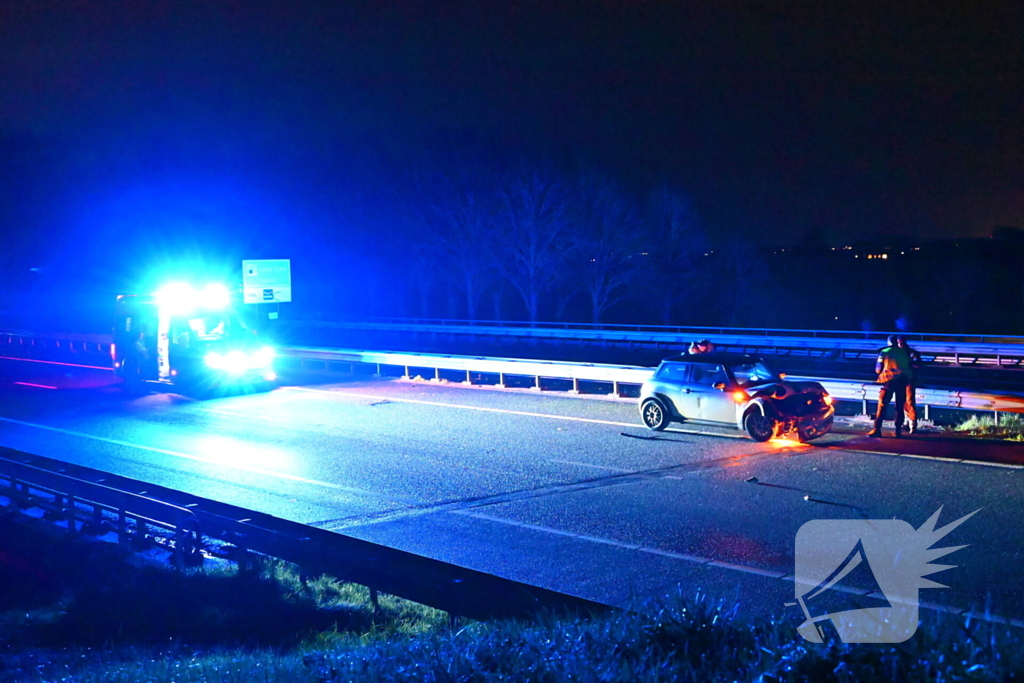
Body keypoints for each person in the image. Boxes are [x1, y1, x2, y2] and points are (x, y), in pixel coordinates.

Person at [867, 334, 912, 437]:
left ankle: (877, 429)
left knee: (882, 405)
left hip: (889, 381)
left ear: (888, 343)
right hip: (903, 381)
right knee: (899, 406)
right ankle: (897, 431)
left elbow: (878, 369)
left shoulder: (884, 352)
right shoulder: (904, 352)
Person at [896, 335, 923, 434]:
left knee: (910, 401)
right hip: (899, 380)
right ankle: (907, 422)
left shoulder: (911, 353)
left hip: (909, 380)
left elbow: (918, 365)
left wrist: (908, 365)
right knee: (902, 402)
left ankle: (913, 425)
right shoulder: (897, 353)